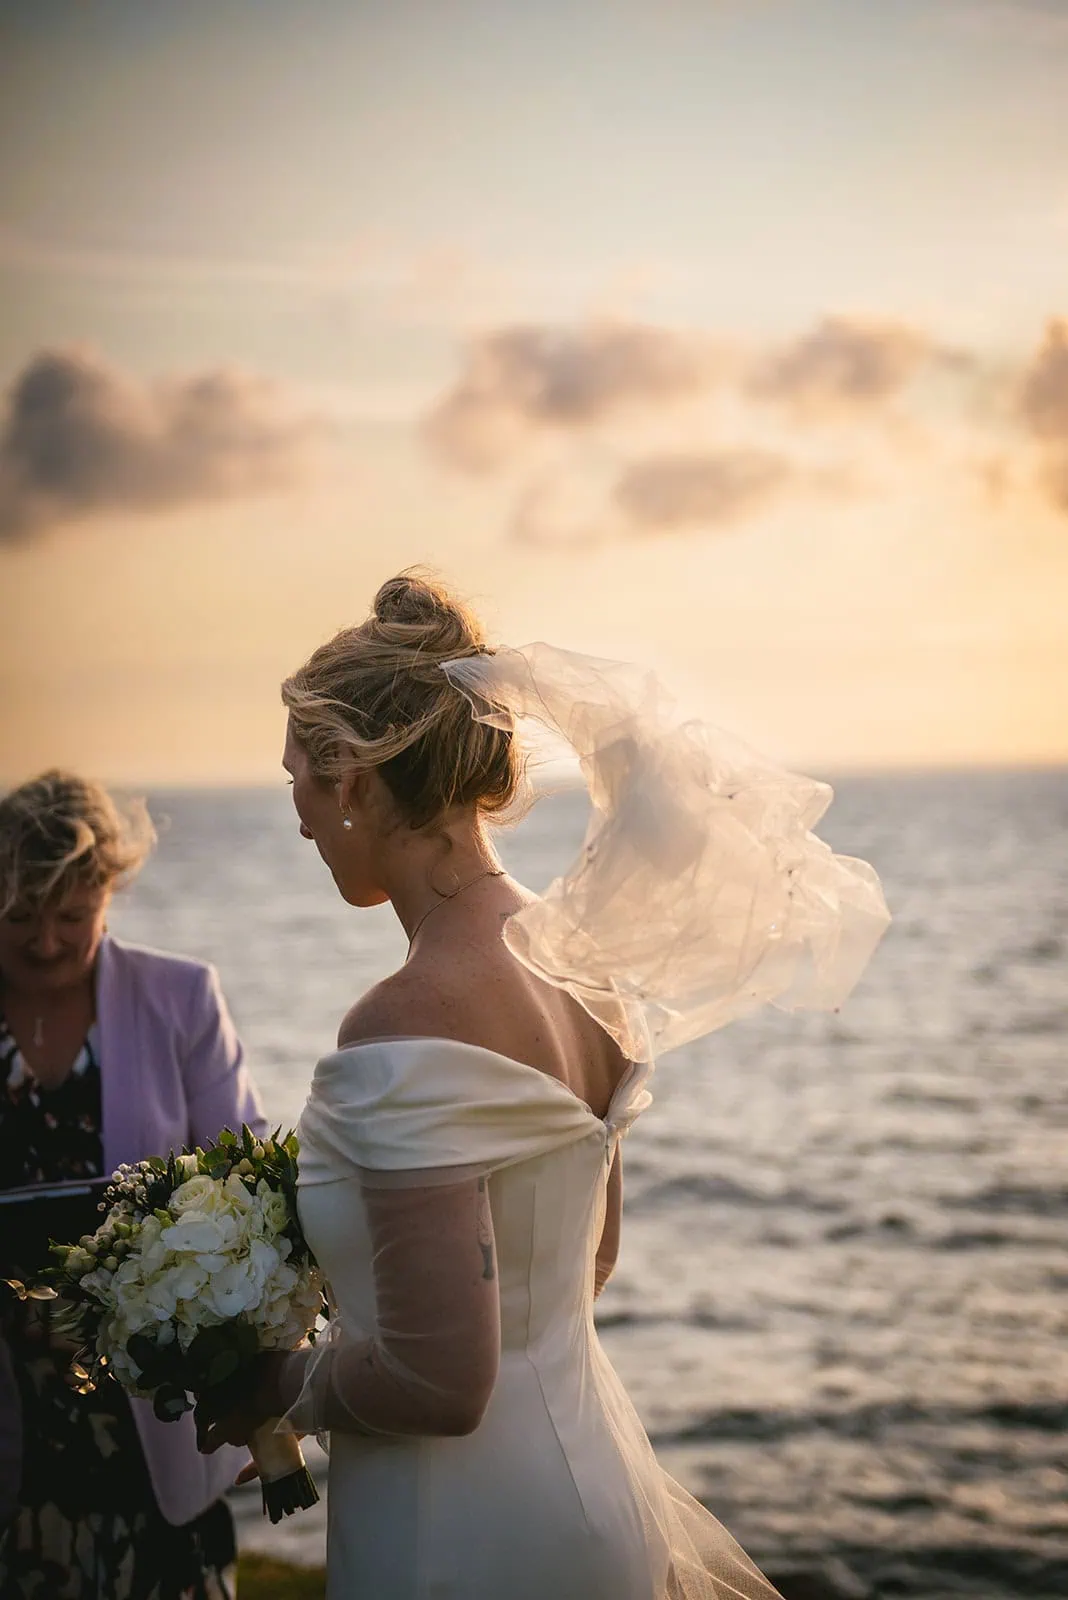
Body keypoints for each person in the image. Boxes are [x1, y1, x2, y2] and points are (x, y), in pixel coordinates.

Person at [198, 570, 889, 1599]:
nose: (297, 813)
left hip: (458, 1535)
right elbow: (590, 1264)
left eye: (300, 774)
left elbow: (438, 1381)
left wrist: (276, 1384)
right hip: (591, 1489)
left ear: (352, 779)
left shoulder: (402, 1018)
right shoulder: (587, 968)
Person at [0, 771, 267, 1600]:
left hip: (153, 1409)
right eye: (17, 917)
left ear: (108, 895)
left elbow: (248, 1187)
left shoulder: (180, 998)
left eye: (70, 917)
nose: (45, 940)